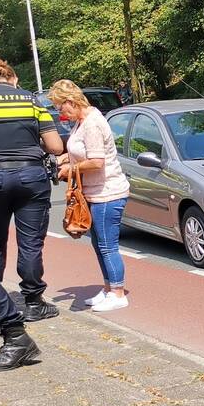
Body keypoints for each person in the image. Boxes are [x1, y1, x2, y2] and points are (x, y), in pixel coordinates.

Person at [0, 58, 64, 323]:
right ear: (14, 80)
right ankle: (34, 303)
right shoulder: (32, 101)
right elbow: (56, 146)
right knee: (31, 243)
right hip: (31, 178)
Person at [48, 80, 131, 312]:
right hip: (93, 193)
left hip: (107, 193)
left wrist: (70, 170)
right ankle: (107, 289)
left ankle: (118, 292)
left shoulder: (92, 123)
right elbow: (80, 151)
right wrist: (64, 159)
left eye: (59, 107)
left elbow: (96, 161)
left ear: (71, 101)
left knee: (107, 245)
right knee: (98, 244)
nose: (59, 112)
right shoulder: (81, 121)